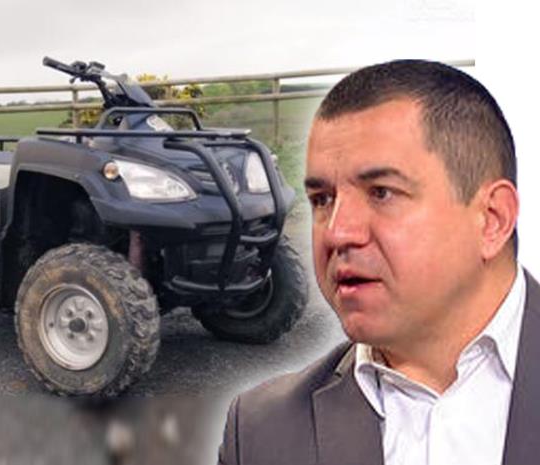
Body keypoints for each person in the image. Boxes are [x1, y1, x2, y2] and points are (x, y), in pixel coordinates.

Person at [217, 59, 539, 465]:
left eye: (382, 192)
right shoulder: (260, 433)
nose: (338, 232)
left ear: (492, 219)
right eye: (322, 199)